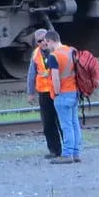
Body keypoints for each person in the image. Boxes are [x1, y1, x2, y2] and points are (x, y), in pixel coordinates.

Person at [43, 29, 82, 164]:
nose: (46, 46)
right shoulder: (71, 50)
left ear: (50, 41)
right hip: (75, 91)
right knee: (74, 124)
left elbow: (55, 78)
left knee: (66, 126)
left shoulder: (54, 56)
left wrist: (57, 93)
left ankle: (67, 154)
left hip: (63, 93)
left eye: (46, 43)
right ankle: (76, 153)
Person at [26, 28, 62, 158]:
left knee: (62, 121)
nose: (43, 43)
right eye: (39, 41)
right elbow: (31, 74)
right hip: (44, 93)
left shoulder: (58, 51)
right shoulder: (36, 54)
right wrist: (30, 93)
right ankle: (54, 150)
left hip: (58, 91)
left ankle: (68, 149)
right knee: (48, 123)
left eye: (44, 40)